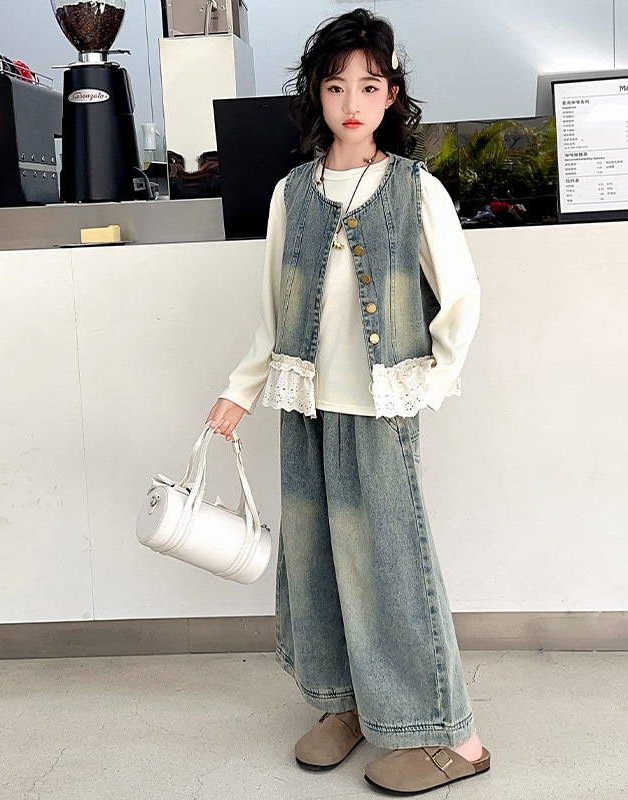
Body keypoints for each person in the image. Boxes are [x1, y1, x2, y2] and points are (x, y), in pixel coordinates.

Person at [205, 8, 489, 794]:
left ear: (391, 95)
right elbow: (273, 311)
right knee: (318, 564)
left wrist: (428, 379)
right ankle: (349, 703)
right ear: (317, 96)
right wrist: (240, 392)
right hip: (306, 405)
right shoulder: (291, 193)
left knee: (392, 569)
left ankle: (456, 737)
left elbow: (461, 297)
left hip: (378, 410)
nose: (352, 102)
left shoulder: (414, 189)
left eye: (369, 86)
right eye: (336, 87)